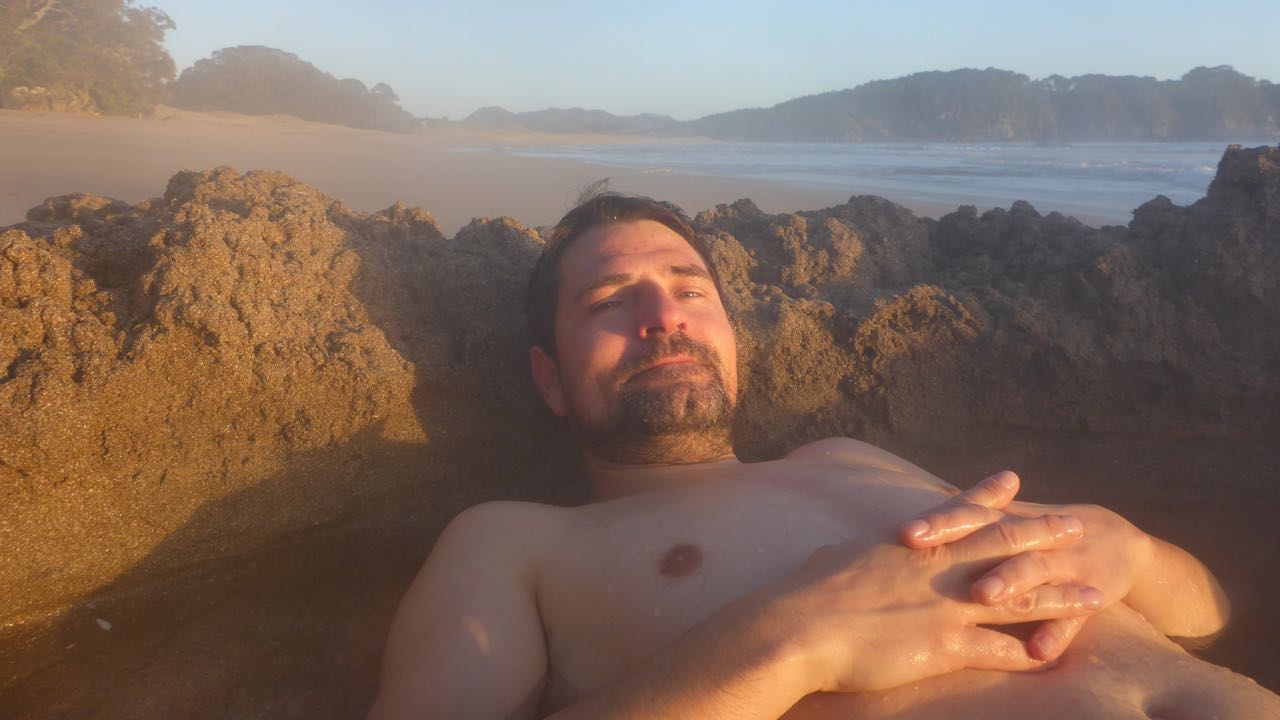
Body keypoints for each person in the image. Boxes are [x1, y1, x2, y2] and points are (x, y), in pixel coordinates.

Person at [367, 192, 1280, 719]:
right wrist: (793, 639)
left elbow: (1214, 616)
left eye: (691, 288)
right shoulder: (514, 542)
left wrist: (1134, 552)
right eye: (610, 299)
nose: (664, 315)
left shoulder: (848, 454)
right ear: (552, 380)